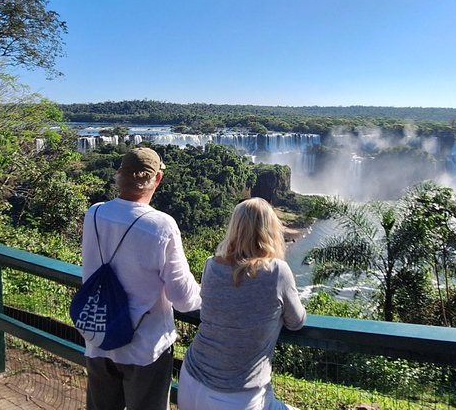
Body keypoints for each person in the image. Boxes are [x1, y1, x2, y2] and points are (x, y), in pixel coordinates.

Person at [81, 147, 202, 410]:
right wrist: (202, 292)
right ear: (157, 179)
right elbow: (183, 298)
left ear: (119, 174)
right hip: (145, 348)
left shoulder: (95, 213)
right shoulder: (161, 225)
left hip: (99, 337)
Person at [179, 197, 306, 410]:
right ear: (270, 230)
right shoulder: (277, 271)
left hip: (190, 381)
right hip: (237, 395)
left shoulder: (211, 265)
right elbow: (297, 322)